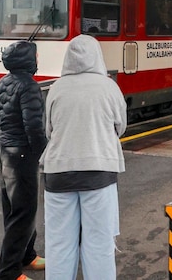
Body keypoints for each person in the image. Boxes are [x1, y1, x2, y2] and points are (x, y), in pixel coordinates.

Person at [41, 35, 127, 280]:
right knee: (98, 244)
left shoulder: (57, 87)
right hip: (99, 173)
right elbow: (120, 127)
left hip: (57, 174)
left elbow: (49, 130)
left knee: (59, 245)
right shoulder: (109, 87)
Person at [0, 40, 47, 280]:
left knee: (13, 210)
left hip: (4, 151)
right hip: (21, 155)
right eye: (36, 56)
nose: (38, 60)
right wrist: (41, 153)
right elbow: (34, 126)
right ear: (29, 60)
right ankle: (9, 272)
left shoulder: (5, 82)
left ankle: (28, 255)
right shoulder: (29, 86)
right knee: (23, 213)